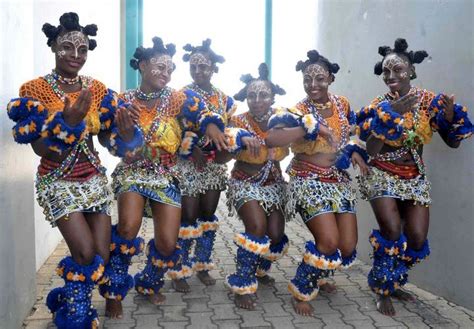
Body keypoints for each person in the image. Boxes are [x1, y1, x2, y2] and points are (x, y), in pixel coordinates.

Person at [6, 12, 143, 328]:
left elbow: (109, 140)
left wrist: (123, 133)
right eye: (67, 47)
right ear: (53, 46)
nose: (75, 55)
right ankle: (78, 317)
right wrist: (67, 122)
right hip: (58, 182)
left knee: (102, 256)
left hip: (93, 179)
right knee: (83, 253)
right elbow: (40, 148)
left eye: (82, 49)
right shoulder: (36, 90)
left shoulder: (96, 89)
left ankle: (66, 300)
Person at [100, 37, 229, 318]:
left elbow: (203, 113)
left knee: (169, 243)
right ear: (143, 66)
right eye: (159, 67)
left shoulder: (178, 98)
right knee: (127, 229)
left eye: (169, 69)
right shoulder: (123, 100)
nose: (165, 73)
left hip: (166, 174)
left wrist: (212, 127)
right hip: (133, 172)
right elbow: (108, 141)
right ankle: (114, 290)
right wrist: (122, 137)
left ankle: (149, 282)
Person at [356, 38, 473, 316]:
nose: (391, 76)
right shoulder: (377, 105)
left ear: (411, 71)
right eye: (386, 71)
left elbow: (453, 142)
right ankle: (382, 288)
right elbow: (371, 149)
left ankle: (393, 279)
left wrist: (445, 117)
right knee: (392, 231)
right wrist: (391, 114)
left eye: (398, 69)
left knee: (417, 238)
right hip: (381, 174)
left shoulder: (429, 102)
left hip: (414, 177)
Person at [265, 50, 368, 316]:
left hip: (339, 182)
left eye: (319, 78)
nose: (313, 84)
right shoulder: (297, 110)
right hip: (307, 180)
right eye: (307, 79)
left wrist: (355, 151)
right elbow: (273, 138)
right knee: (329, 241)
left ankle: (321, 272)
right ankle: (302, 287)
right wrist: (310, 127)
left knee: (346, 246)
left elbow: (353, 133)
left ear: (331, 78)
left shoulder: (342, 104)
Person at [168, 39, 237, 292]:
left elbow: (228, 130)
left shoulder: (224, 100)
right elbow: (173, 131)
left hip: (214, 167)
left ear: (213, 68)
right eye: (194, 67)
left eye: (204, 67)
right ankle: (180, 269)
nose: (198, 71)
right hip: (188, 164)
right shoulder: (180, 95)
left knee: (207, 214)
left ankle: (203, 264)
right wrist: (190, 149)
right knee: (188, 215)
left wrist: (226, 152)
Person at [223, 63, 290, 310]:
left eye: (263, 95)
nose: (257, 100)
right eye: (252, 95)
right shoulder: (237, 121)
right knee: (256, 226)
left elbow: (295, 141)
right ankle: (243, 283)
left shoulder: (282, 119)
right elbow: (224, 152)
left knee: (274, 235)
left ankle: (260, 267)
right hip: (244, 183)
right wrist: (239, 140)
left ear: (272, 97)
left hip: (274, 184)